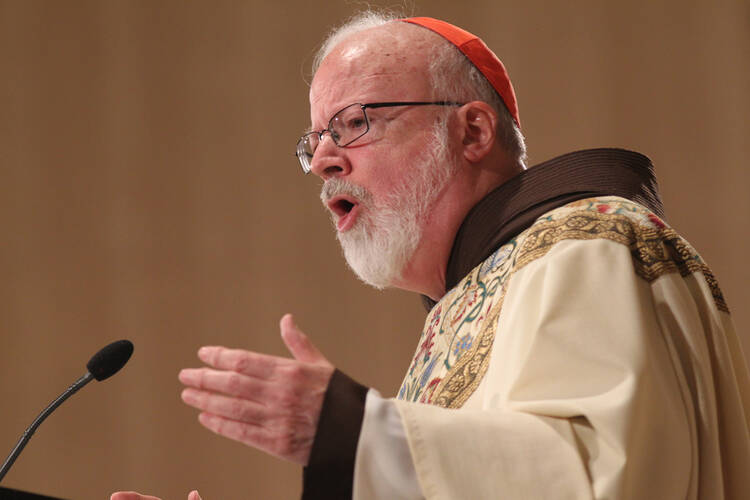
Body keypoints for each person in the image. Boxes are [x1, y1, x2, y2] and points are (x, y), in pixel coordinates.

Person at [112, 12, 750, 500]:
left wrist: (352, 432)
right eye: (316, 142)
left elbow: (595, 476)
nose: (326, 161)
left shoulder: (585, 244)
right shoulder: (471, 300)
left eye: (355, 122)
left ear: (472, 131)